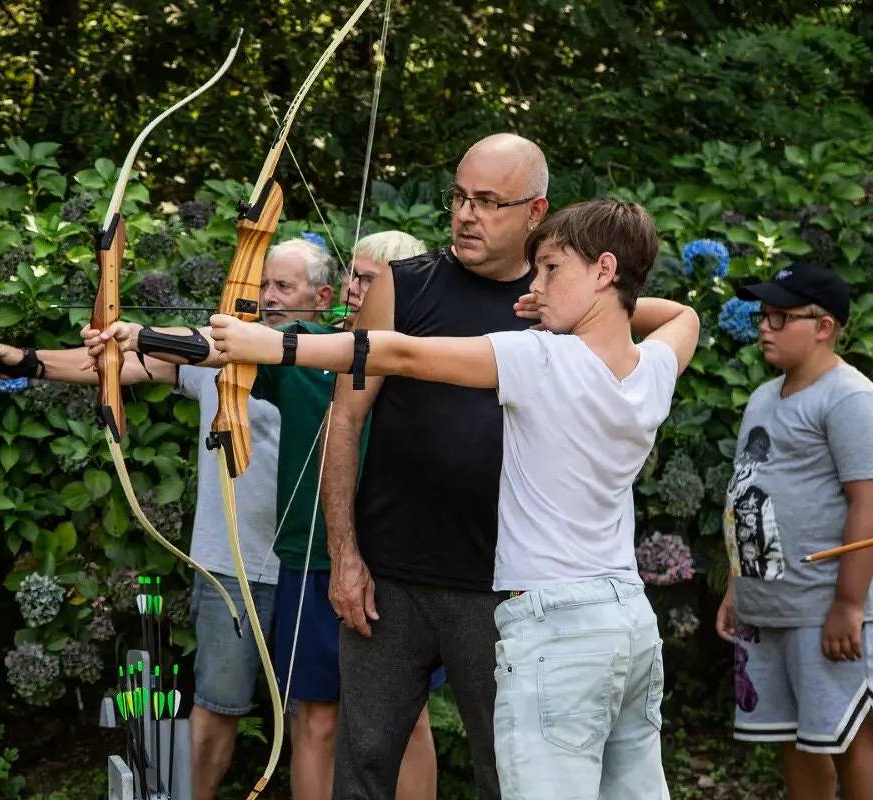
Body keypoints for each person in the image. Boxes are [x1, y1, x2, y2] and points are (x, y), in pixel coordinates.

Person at [208, 198, 699, 800]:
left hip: (556, 631)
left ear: (603, 270)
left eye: (550, 271)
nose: (536, 287)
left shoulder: (540, 356)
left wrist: (275, 345)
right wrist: (590, 307)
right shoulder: (650, 367)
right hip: (627, 620)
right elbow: (682, 314)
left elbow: (398, 351)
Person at [86, 232, 441, 800]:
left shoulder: (427, 358)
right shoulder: (309, 350)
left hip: (397, 564)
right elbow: (225, 347)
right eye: (352, 275)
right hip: (311, 559)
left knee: (409, 720)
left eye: (369, 280)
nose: (353, 288)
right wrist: (141, 336)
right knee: (315, 719)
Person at [0, 238, 334, 798]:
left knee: (315, 723)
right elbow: (120, 365)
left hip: (309, 566)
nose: (268, 297)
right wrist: (31, 362)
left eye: (283, 287)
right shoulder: (212, 356)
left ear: (323, 298)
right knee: (216, 710)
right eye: (262, 284)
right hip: (229, 565)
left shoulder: (331, 360)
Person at [318, 133, 550, 799]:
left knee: (507, 775)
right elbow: (347, 417)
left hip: (506, 585)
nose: (465, 215)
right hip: (389, 581)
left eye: (487, 202)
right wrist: (344, 555)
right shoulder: (403, 285)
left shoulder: (556, 302)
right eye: (459, 197)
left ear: (536, 212)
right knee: (361, 768)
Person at [714, 264, 873, 800]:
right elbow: (748, 492)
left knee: (851, 736)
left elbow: (867, 504)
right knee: (795, 740)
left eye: (781, 317)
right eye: (764, 316)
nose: (765, 327)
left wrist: (849, 604)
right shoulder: (762, 397)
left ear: (823, 326)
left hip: (822, 609)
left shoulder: (848, 397)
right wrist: (738, 588)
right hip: (768, 607)